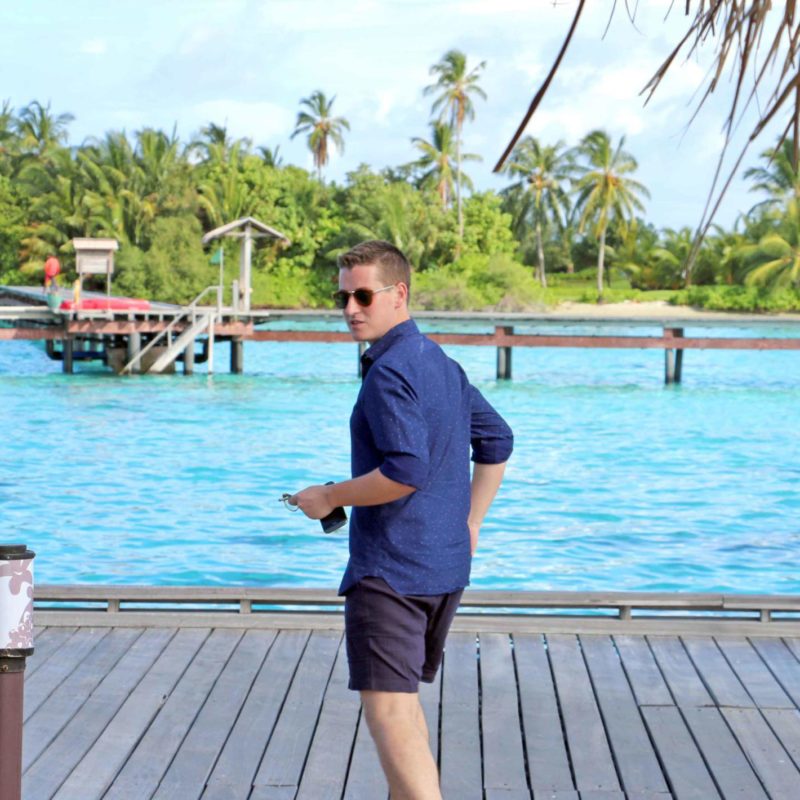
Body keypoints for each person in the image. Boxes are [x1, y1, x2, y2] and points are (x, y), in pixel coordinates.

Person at [289, 240, 513, 800]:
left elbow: (405, 471)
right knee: (404, 711)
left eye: (363, 296)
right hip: (443, 571)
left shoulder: (388, 372)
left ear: (399, 293)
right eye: (342, 297)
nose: (350, 309)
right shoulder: (441, 363)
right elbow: (497, 440)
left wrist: (328, 496)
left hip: (390, 573)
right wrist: (471, 523)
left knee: (390, 712)